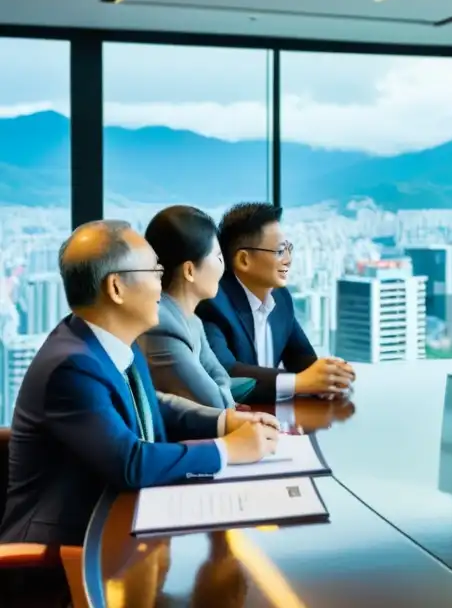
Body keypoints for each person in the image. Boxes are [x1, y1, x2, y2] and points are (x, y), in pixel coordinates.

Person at [0, 221, 279, 548]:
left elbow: (150, 405)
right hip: (59, 558)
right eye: (155, 272)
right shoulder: (70, 367)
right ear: (116, 288)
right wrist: (228, 450)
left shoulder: (111, 341)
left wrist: (223, 422)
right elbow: (130, 463)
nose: (162, 286)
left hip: (123, 528)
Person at [197, 203, 354, 403]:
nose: (288, 260)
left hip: (271, 419)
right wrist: (298, 383)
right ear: (244, 260)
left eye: (289, 249)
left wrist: (331, 373)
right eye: (280, 251)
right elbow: (226, 372)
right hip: (231, 423)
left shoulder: (280, 298)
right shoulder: (213, 304)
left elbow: (303, 360)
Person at [139, 205, 253, 407]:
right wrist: (227, 403)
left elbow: (218, 374)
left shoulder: (191, 319)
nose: (223, 266)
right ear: (189, 270)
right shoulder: (161, 324)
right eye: (218, 257)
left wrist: (225, 398)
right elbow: (214, 401)